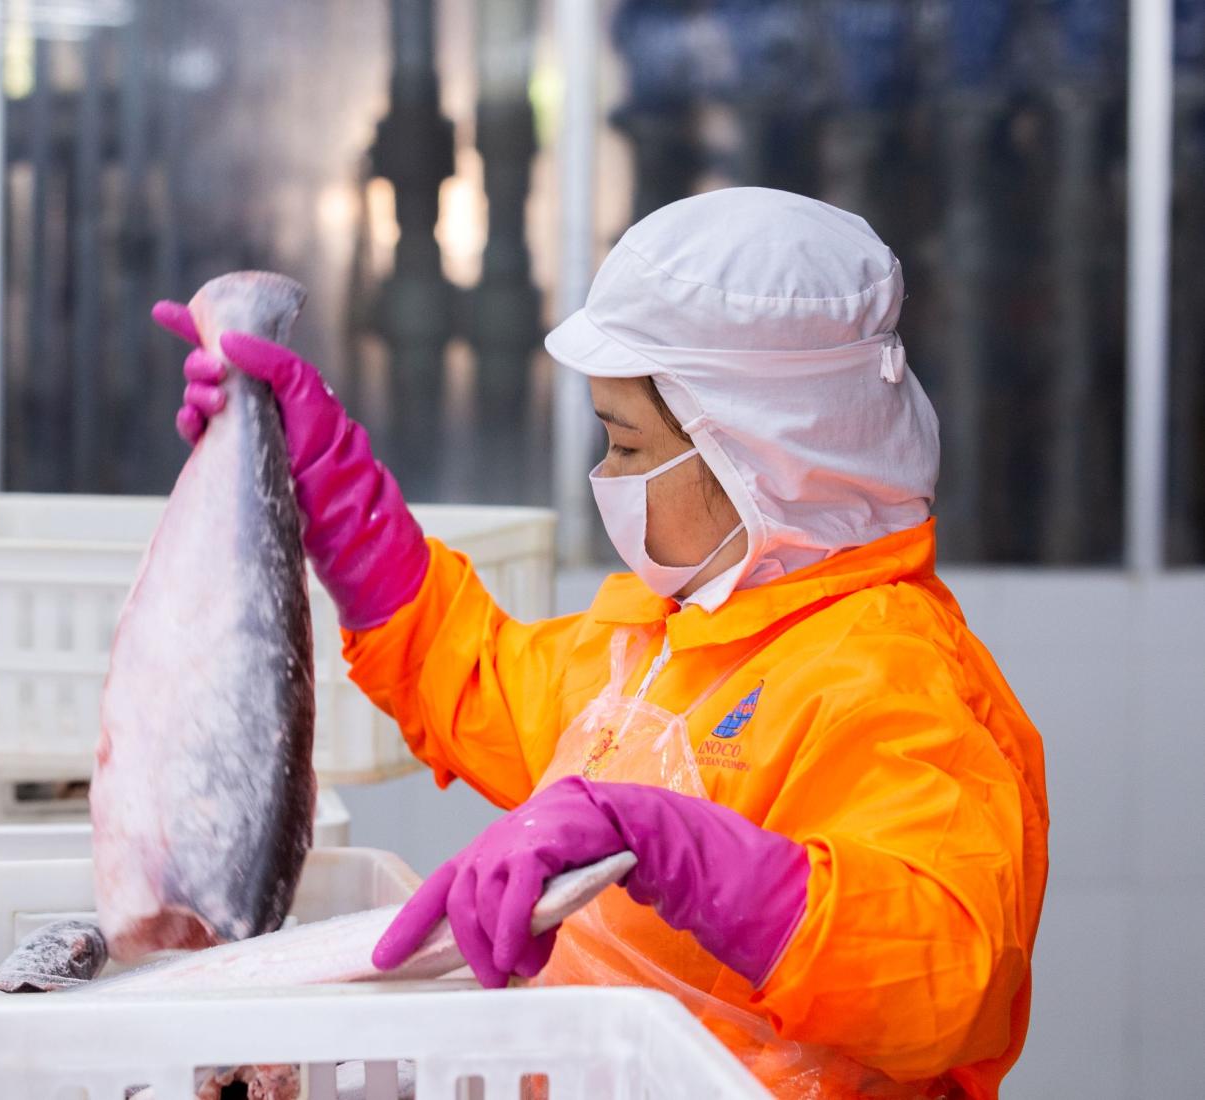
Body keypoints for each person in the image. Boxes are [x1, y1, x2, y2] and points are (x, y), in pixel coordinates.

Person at [153, 187, 1048, 1099]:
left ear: (759, 458)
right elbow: (467, 671)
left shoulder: (894, 676)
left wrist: (673, 848)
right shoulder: (664, 643)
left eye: (626, 446)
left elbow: (944, 980)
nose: (604, 478)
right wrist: (322, 475)